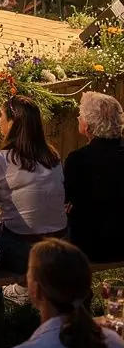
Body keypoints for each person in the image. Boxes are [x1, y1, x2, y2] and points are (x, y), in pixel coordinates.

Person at [0, 95, 67, 307]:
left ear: (12, 123)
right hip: (61, 245)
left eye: (1, 116)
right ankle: (21, 291)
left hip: (25, 253)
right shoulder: (53, 156)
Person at [64, 92, 124, 261]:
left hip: (90, 244)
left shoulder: (78, 159)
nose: (78, 118)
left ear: (89, 125)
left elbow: (65, 198)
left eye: (81, 115)